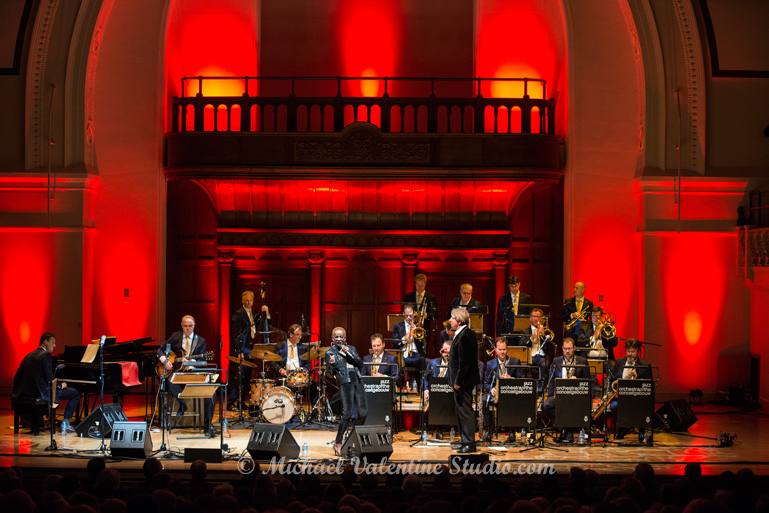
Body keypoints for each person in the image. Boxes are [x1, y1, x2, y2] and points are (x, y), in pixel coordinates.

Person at [156, 316, 216, 436]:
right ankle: (181, 403)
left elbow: (202, 363)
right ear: (181, 325)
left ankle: (208, 425)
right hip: (178, 372)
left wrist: (193, 363)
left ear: (194, 325)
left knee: (211, 390)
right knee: (171, 379)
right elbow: (160, 350)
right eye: (185, 326)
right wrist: (165, 361)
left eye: (190, 326)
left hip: (193, 372)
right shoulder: (175, 337)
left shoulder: (201, 341)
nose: (187, 329)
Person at [13, 332, 80, 430]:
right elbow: (49, 378)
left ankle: (45, 421)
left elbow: (17, 376)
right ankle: (66, 422)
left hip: (27, 392)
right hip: (42, 392)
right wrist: (61, 385)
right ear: (45, 342)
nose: (54, 345)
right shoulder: (46, 355)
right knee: (75, 393)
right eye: (52, 342)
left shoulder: (28, 356)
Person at [325, 327, 368, 456]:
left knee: (363, 412)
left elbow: (360, 364)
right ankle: (338, 442)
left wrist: (349, 353)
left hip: (357, 381)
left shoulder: (352, 349)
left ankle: (352, 438)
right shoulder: (329, 353)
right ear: (332, 339)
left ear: (345, 338)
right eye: (336, 337)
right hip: (345, 382)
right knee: (347, 413)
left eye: (341, 337)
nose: (339, 339)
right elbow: (328, 373)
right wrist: (331, 365)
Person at [542, 337, 590, 442]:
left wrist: (578, 381)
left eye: (570, 349)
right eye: (565, 349)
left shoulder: (582, 361)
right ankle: (564, 428)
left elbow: (588, 382)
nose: (567, 351)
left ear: (574, 348)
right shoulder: (556, 361)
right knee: (546, 405)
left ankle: (565, 431)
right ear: (562, 349)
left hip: (576, 397)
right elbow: (551, 381)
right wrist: (550, 396)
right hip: (559, 396)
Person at [229, 290, 270, 409]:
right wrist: (239, 351)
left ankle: (241, 402)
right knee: (240, 376)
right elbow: (236, 335)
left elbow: (264, 326)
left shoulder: (255, 313)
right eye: (246, 300)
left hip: (252, 347)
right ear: (243, 301)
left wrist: (266, 314)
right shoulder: (238, 314)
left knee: (247, 377)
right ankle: (232, 401)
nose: (248, 302)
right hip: (243, 348)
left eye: (250, 300)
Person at [448, 307, 480, 453]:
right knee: (460, 411)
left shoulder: (465, 335)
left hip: (463, 382)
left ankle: (469, 443)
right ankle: (464, 441)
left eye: (452, 317)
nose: (450, 320)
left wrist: (458, 382)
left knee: (465, 412)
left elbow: (465, 363)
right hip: (461, 381)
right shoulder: (461, 333)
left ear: (459, 321)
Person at [481, 337, 525, 443]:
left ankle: (511, 431)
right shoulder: (490, 364)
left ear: (507, 349)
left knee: (512, 401)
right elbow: (486, 383)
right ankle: (488, 430)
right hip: (496, 394)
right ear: (495, 350)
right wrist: (491, 390)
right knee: (484, 400)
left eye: (504, 349)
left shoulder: (515, 361)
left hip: (510, 394)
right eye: (500, 350)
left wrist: (512, 379)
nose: (502, 352)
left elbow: (522, 381)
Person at [610, 338, 653, 442]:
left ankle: (641, 429)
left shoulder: (645, 365)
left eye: (633, 351)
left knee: (641, 407)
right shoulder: (619, 362)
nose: (630, 354)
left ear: (638, 352)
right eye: (628, 351)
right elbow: (612, 379)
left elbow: (648, 386)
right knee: (613, 406)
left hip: (637, 399)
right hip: (620, 397)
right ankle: (622, 427)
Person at [422, 340, 454, 440]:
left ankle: (452, 428)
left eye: (448, 351)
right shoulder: (433, 362)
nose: (446, 354)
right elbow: (424, 378)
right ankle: (439, 429)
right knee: (437, 399)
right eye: (444, 351)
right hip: (435, 392)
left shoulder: (455, 364)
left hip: (450, 392)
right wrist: (426, 390)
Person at [515, 307, 551, 390]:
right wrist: (531, 338)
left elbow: (549, 347)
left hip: (541, 356)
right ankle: (524, 388)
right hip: (529, 356)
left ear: (542, 318)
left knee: (544, 365)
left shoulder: (545, 331)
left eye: (538, 317)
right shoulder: (524, 331)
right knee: (522, 365)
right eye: (534, 317)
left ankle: (542, 388)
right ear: (530, 318)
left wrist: (543, 337)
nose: (536, 319)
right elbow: (521, 345)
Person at [392, 304, 425, 387]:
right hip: (403, 355)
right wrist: (406, 337)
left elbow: (422, 345)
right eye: (406, 316)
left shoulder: (419, 327)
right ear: (403, 314)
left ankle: (422, 388)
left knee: (426, 362)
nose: (408, 318)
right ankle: (401, 388)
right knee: (396, 364)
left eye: (410, 315)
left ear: (414, 313)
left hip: (416, 355)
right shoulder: (397, 327)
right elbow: (395, 345)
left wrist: (416, 335)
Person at [403, 274, 438, 351]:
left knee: (422, 351)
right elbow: (403, 311)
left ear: (425, 284)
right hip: (410, 327)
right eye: (418, 285)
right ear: (415, 284)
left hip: (425, 328)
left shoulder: (430, 297)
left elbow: (435, 314)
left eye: (421, 285)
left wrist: (425, 315)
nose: (419, 288)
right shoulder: (409, 296)